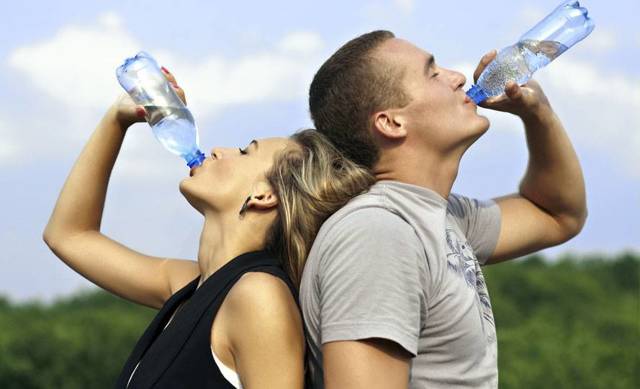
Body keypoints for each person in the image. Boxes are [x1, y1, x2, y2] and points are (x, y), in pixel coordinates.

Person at [42, 68, 374, 388]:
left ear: (264, 195)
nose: (218, 150)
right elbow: (68, 235)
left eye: (245, 152)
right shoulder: (190, 287)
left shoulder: (258, 297)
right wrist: (118, 118)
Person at [299, 30, 588, 388]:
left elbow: (559, 215)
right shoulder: (378, 234)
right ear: (391, 123)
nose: (459, 77)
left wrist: (537, 114)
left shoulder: (438, 216)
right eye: (433, 73)